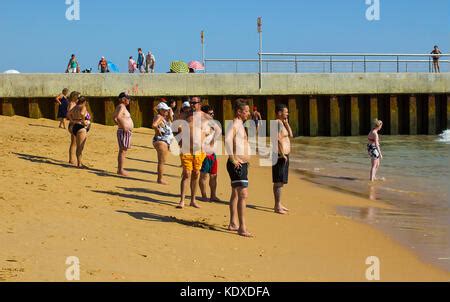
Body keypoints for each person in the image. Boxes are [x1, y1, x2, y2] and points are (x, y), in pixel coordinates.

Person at [176, 96, 221, 209]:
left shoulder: (205, 116)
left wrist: (212, 141)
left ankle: (193, 200)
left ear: (200, 104)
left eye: (195, 103)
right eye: (191, 102)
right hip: (186, 149)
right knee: (186, 173)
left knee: (196, 174)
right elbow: (175, 125)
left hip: (199, 150)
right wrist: (179, 139)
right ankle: (182, 200)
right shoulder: (186, 115)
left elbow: (218, 129)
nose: (192, 105)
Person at [225, 98, 252, 237]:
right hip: (237, 164)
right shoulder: (235, 123)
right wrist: (232, 158)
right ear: (239, 112)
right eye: (246, 111)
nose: (248, 113)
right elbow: (227, 139)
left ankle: (233, 223)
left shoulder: (240, 123)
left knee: (236, 193)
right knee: (243, 194)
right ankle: (242, 227)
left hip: (242, 164)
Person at [272, 104, 293, 215]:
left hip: (284, 156)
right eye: (286, 112)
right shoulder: (276, 123)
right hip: (280, 156)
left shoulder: (282, 123)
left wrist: (286, 123)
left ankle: (279, 204)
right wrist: (282, 154)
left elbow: (291, 135)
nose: (287, 114)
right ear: (279, 113)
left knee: (281, 182)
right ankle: (277, 206)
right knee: (278, 182)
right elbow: (278, 139)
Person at [199, 105, 220, 202]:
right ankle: (204, 195)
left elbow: (219, 131)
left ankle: (213, 195)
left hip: (212, 154)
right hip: (204, 154)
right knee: (203, 176)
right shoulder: (200, 125)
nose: (212, 115)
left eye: (213, 113)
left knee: (214, 176)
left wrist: (213, 140)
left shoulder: (212, 124)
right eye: (210, 113)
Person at [152, 102, 174, 185]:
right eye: (165, 110)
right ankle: (160, 179)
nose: (166, 111)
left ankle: (160, 178)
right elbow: (154, 125)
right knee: (161, 161)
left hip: (163, 141)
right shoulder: (159, 117)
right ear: (160, 110)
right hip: (161, 141)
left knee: (162, 161)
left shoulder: (162, 117)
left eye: (167, 110)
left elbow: (171, 120)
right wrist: (157, 129)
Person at [113, 92, 134, 176]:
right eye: (127, 98)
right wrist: (124, 126)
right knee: (123, 150)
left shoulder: (121, 107)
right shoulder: (122, 106)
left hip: (123, 130)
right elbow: (117, 117)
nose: (129, 100)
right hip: (123, 131)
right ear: (123, 99)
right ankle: (120, 169)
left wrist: (120, 124)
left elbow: (114, 117)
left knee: (123, 150)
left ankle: (120, 169)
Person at [67, 96, 91, 168]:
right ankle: (79, 163)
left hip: (74, 126)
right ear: (84, 102)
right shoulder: (83, 107)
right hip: (81, 127)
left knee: (77, 145)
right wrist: (83, 121)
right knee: (80, 147)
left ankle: (78, 162)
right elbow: (82, 113)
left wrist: (72, 120)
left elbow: (68, 114)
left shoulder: (75, 107)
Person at [67, 91, 81, 165]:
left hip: (74, 124)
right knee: (74, 142)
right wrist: (73, 121)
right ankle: (72, 159)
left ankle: (72, 159)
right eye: (78, 97)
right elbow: (69, 114)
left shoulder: (74, 104)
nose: (79, 98)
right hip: (73, 124)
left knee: (74, 142)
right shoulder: (72, 104)